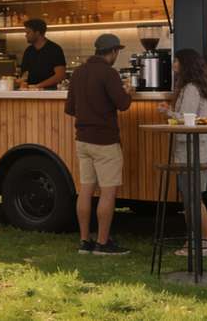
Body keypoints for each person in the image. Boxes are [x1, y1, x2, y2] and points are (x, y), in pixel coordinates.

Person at [65, 34, 133, 256]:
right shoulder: (109, 73)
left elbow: (70, 108)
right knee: (107, 192)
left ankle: (85, 242)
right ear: (112, 52)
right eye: (117, 53)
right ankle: (103, 244)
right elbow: (122, 105)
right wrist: (129, 93)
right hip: (105, 141)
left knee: (85, 190)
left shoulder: (78, 72)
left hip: (82, 140)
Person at [157, 49, 207, 257]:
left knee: (191, 198)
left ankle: (201, 240)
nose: (174, 64)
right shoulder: (198, 86)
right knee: (193, 197)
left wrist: (168, 113)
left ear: (185, 64)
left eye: (176, 61)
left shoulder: (191, 88)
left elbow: (187, 117)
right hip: (197, 150)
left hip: (191, 150)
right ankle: (200, 239)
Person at [17, 18, 67, 90]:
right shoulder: (28, 51)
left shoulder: (54, 49)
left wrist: (38, 86)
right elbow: (25, 75)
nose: (26, 35)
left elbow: (60, 75)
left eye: (28, 33)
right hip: (30, 93)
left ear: (37, 33)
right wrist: (21, 82)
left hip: (50, 93)